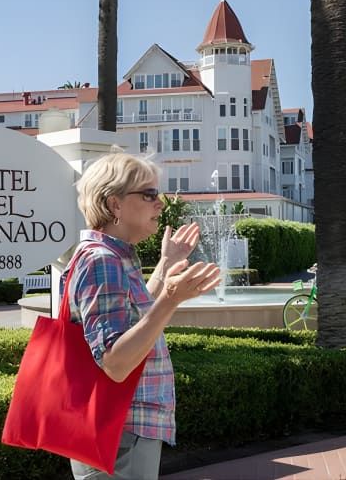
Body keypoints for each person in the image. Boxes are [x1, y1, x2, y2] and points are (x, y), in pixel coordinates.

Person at [60, 148, 220, 480]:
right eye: (149, 194)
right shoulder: (101, 261)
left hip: (122, 430)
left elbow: (132, 318)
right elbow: (115, 362)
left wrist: (166, 264)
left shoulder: (114, 257)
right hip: (119, 431)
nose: (160, 203)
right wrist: (171, 300)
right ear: (114, 204)